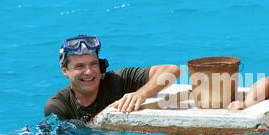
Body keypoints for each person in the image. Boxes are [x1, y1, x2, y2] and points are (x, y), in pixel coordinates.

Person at [45, 35, 180, 122]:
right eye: (79, 66)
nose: (88, 72)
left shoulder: (117, 80)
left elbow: (172, 70)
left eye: (93, 64)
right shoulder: (59, 107)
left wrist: (141, 93)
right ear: (65, 71)